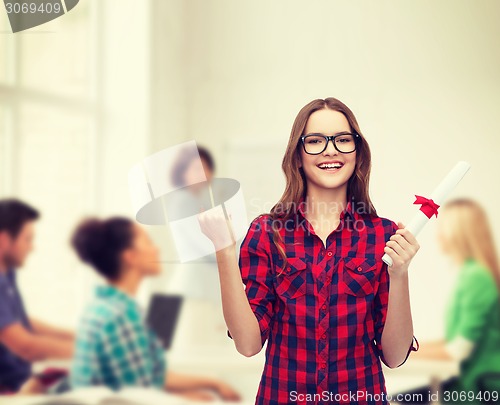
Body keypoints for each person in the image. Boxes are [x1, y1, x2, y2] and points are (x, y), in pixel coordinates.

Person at [198, 97, 420, 405]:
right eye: (315, 141)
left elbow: (395, 357)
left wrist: (400, 273)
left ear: (358, 153)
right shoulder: (267, 232)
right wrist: (223, 250)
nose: (331, 150)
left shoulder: (383, 235)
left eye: (343, 140)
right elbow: (248, 344)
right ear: (298, 156)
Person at [69, 216, 241, 402]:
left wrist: (210, 384)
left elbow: (147, 376)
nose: (156, 248)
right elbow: (138, 393)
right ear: (130, 257)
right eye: (148, 242)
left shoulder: (106, 307)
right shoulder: (121, 315)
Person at [397, 198, 500, 404]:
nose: (439, 236)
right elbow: (454, 340)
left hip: (478, 389)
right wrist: (403, 350)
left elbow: (458, 350)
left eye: (443, 228)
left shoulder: (476, 277)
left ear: (459, 234)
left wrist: (399, 355)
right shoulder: (472, 273)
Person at [0, 198, 74, 394]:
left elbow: (21, 323)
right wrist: (91, 350)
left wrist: (78, 335)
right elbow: (25, 346)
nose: (32, 247)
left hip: (23, 384)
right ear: (4, 240)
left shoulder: (7, 275)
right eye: (28, 239)